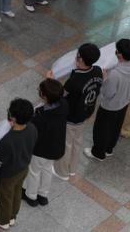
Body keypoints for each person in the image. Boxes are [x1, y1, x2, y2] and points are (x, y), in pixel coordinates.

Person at [50, 43, 102, 180]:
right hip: (86, 113)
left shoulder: (74, 81)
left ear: (79, 58)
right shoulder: (98, 71)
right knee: (77, 142)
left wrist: (51, 81)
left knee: (66, 144)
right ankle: (73, 168)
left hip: (71, 117)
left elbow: (59, 96)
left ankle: (62, 172)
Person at [0, 98, 37, 230]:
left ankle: (2, 220)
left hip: (8, 174)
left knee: (4, 197)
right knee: (16, 193)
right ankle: (12, 217)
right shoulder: (32, 128)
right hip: (23, 168)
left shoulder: (7, 140)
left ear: (13, 118)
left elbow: (1, 161)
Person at [22, 79, 68, 207]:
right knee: (48, 169)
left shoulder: (41, 117)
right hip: (56, 148)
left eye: (39, 91)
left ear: (44, 96)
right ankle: (43, 195)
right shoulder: (64, 104)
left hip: (41, 150)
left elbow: (31, 129)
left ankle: (31, 196)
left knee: (34, 171)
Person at [84, 39, 130, 161]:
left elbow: (108, 93)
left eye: (117, 51)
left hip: (109, 107)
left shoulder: (115, 74)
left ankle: (98, 153)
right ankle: (109, 149)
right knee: (115, 127)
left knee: (101, 130)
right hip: (124, 103)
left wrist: (105, 79)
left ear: (120, 55)